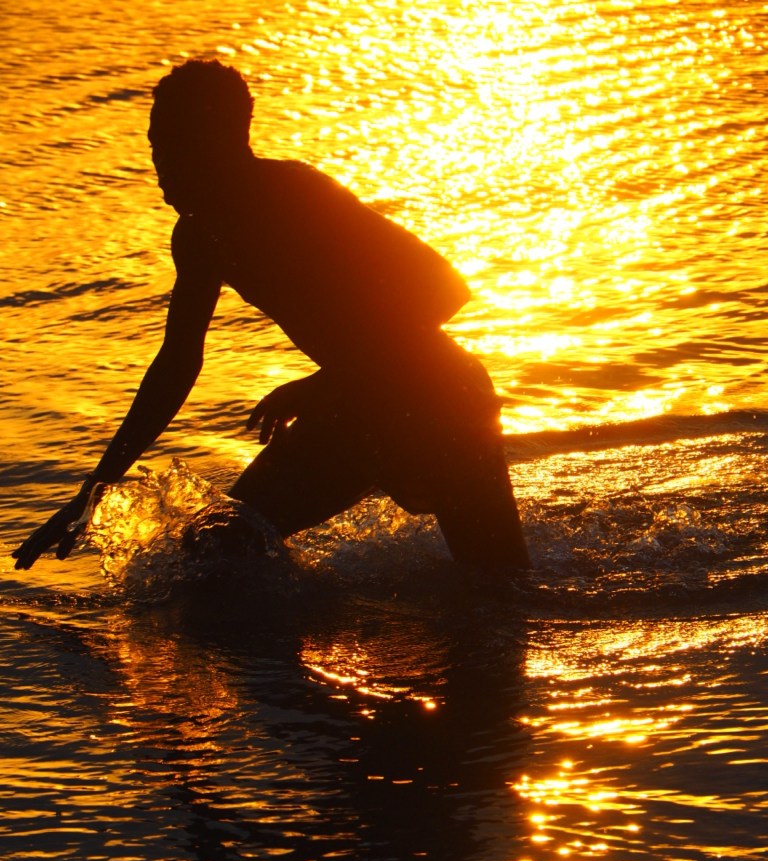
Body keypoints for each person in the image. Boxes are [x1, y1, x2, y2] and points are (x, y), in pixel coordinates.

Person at [12, 59, 529, 572]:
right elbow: (176, 365)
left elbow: (445, 291)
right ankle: (272, 648)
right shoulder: (200, 236)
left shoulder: (296, 196)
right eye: (155, 147)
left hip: (441, 399)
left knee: (501, 593)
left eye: (177, 147)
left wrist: (319, 386)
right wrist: (93, 491)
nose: (161, 167)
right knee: (216, 547)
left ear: (222, 141)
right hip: (356, 408)